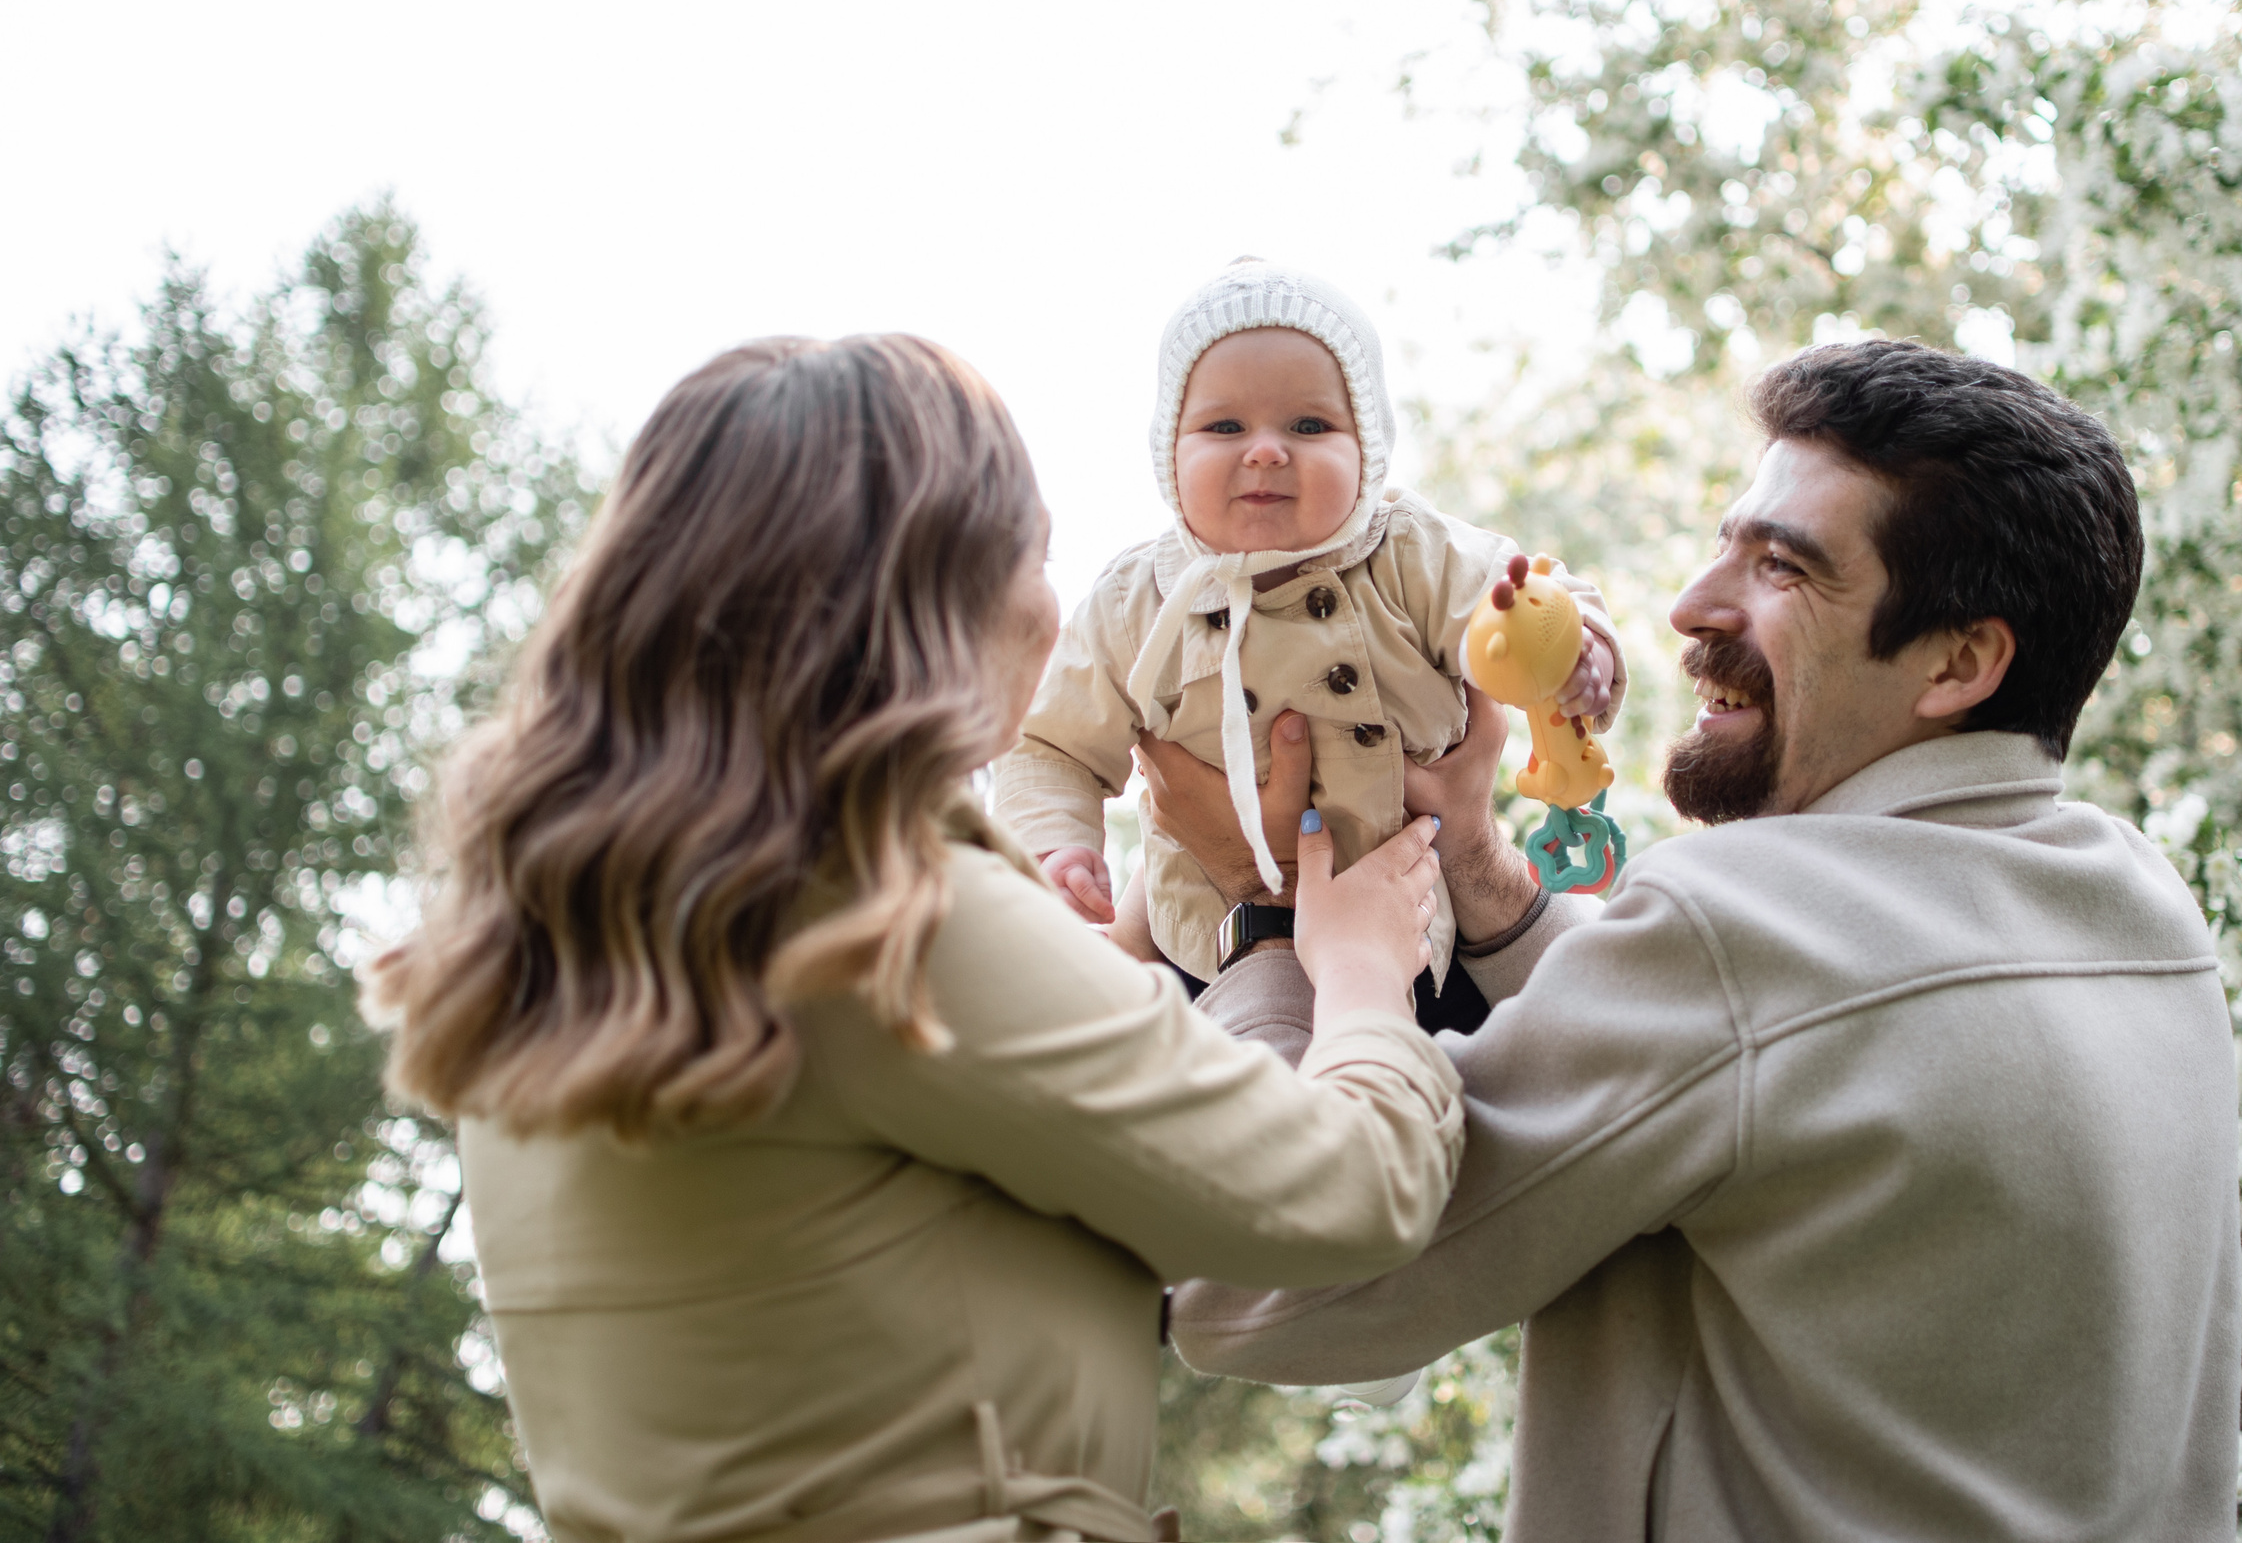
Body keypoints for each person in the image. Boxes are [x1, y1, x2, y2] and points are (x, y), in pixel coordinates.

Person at [363, 335, 1468, 1543]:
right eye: (1037, 556)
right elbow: (1351, 1193)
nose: (1055, 614)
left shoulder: (573, 921)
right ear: (937, 590)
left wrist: (1149, 925)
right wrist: (1349, 962)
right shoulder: (879, 907)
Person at [1159, 341, 2242, 1541]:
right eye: (1730, 537)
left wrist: (1265, 924)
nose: (1688, 603)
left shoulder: (1745, 929)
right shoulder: (2140, 907)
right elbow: (1741, 1062)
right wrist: (1477, 866)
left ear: (1959, 659)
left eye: (1783, 567)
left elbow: (1260, 1278)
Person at [990, 259, 1623, 997]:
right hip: (1210, 946)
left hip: (1420, 926)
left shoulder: (1413, 551)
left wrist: (1574, 650)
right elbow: (1047, 743)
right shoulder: (1139, 600)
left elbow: (1526, 597)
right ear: (1169, 452)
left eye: (1309, 425)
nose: (1264, 449)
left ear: (1370, 451)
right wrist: (1056, 842)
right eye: (1224, 426)